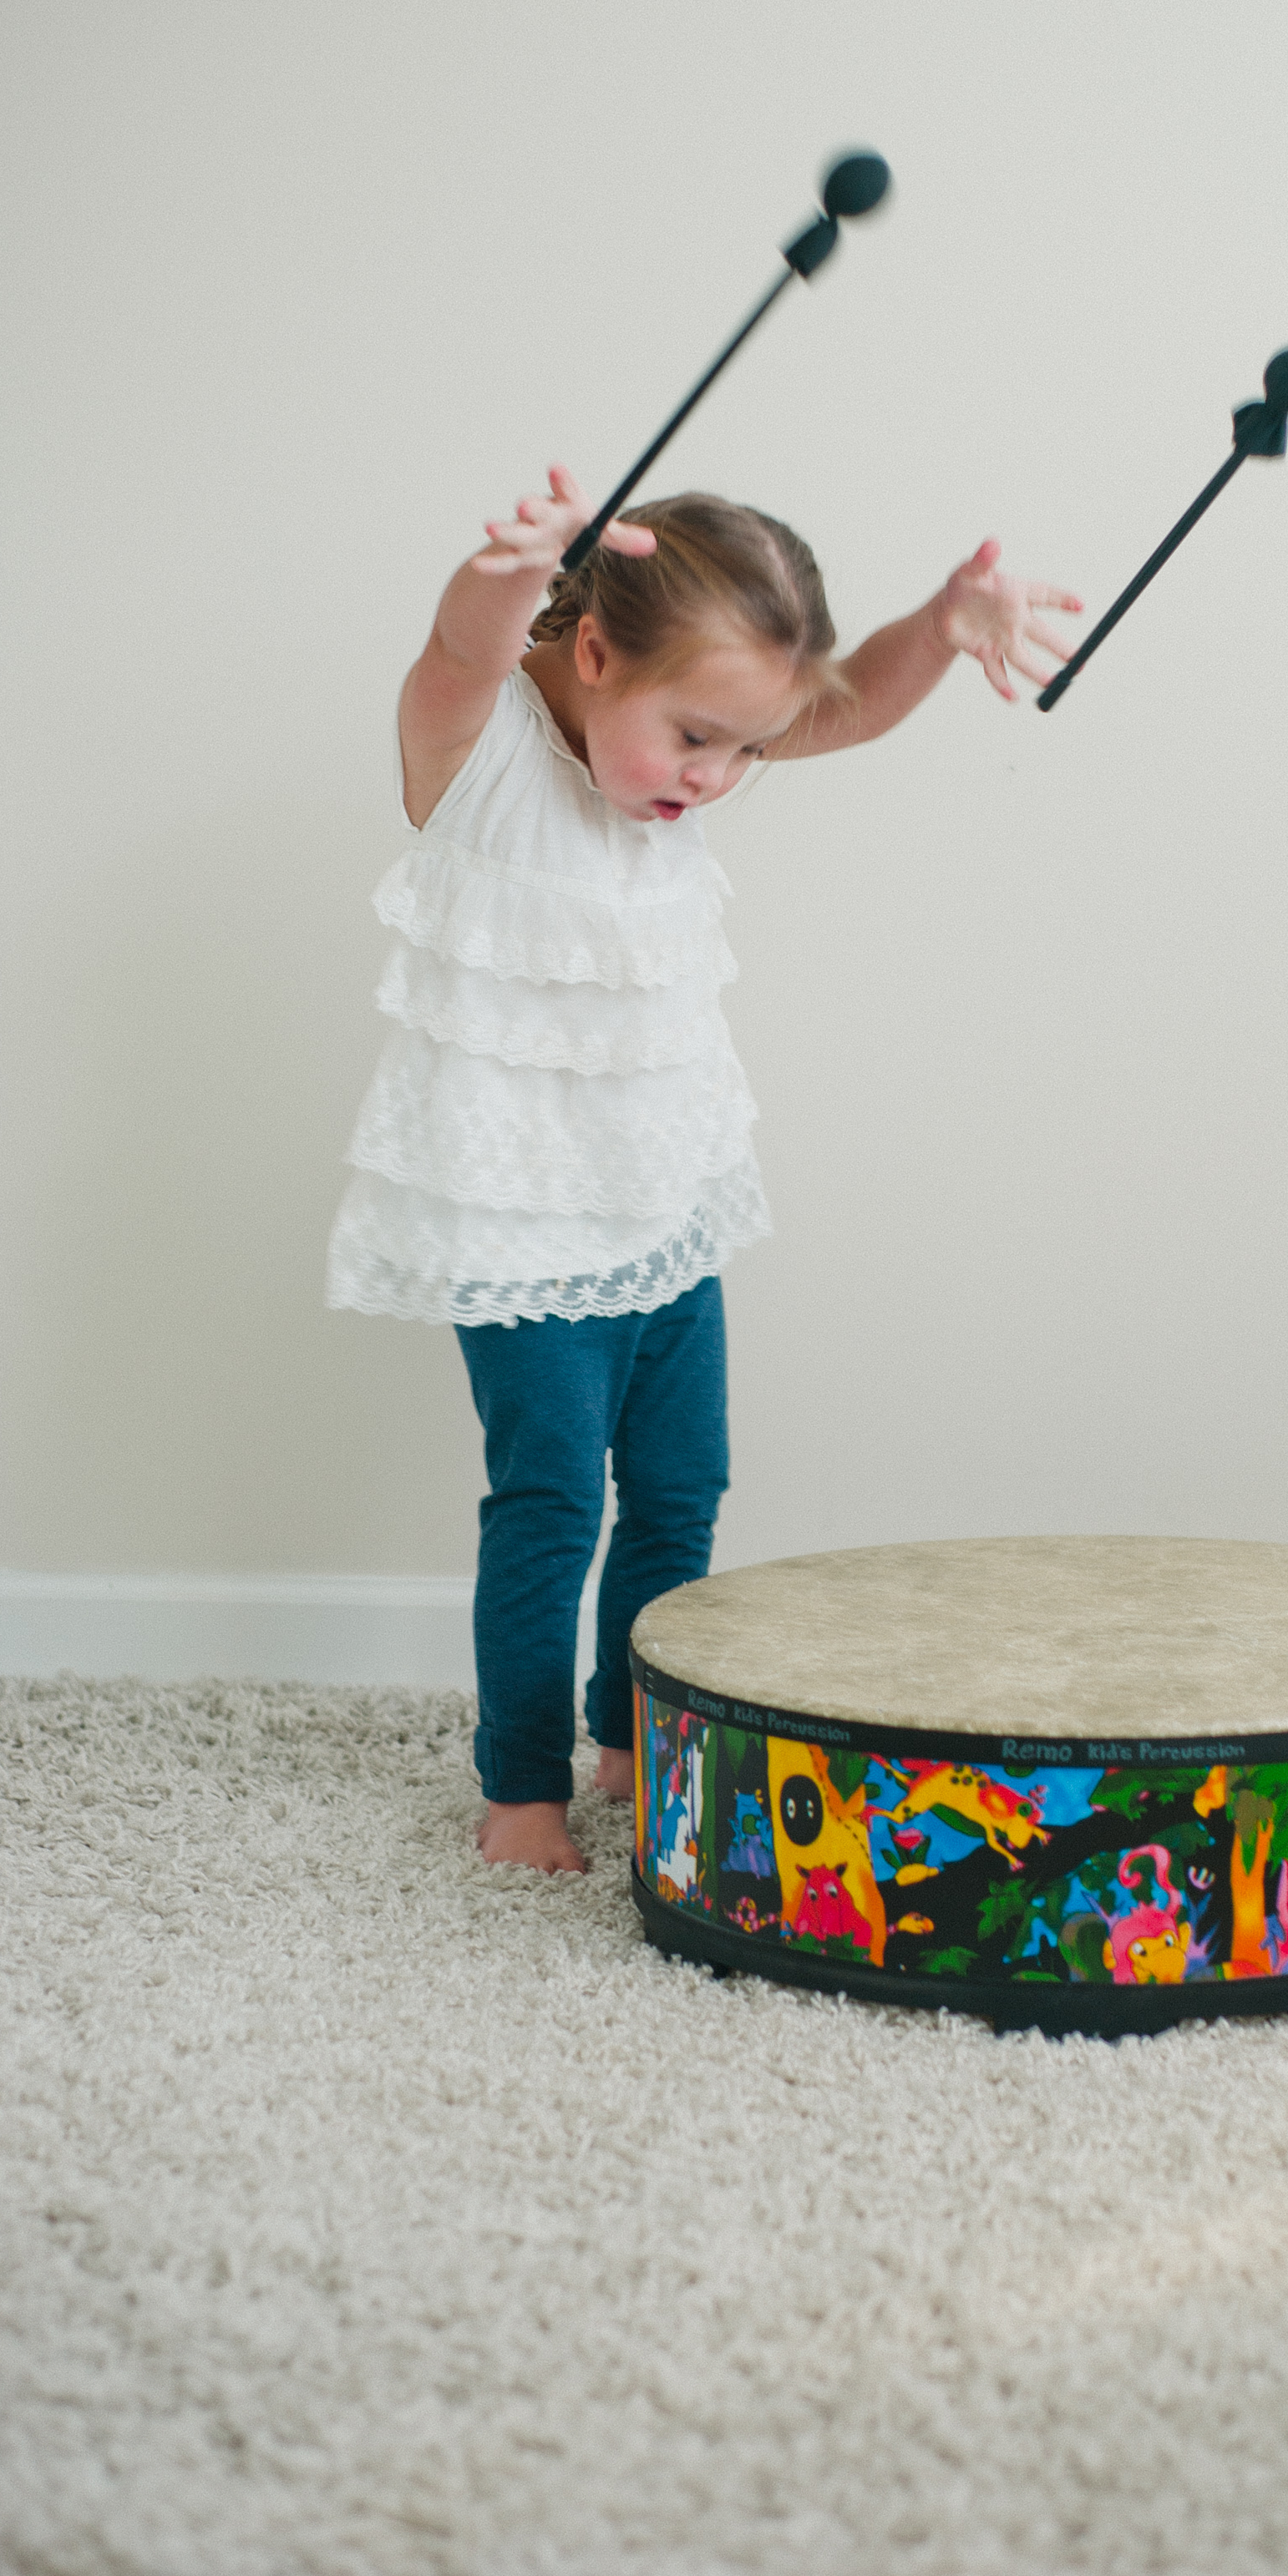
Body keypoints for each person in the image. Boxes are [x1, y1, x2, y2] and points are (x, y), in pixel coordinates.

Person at [327, 465, 1081, 1871]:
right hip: (519, 1236)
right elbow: (459, 648)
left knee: (681, 1490)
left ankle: (640, 1741)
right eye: (695, 738)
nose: (716, 778)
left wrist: (948, 617)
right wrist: (511, 570)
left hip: (664, 1209)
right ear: (597, 652)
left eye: (742, 750)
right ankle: (522, 1793)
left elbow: (843, 703)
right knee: (551, 1495)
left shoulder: (688, 754)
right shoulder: (478, 754)